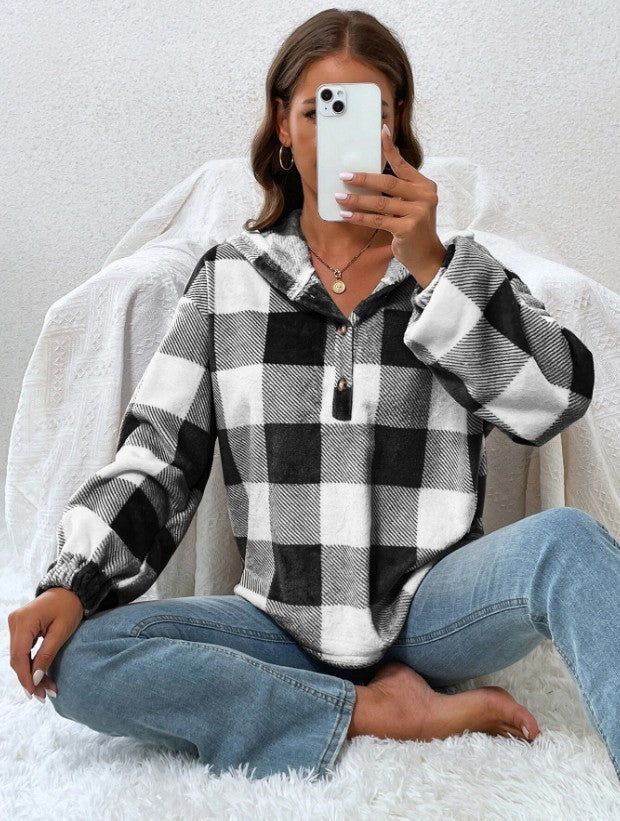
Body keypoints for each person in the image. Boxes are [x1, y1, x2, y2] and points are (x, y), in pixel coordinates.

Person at [9, 9, 619, 783]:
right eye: (318, 113)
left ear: (395, 127)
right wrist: (76, 578)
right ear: (283, 127)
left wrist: (434, 267)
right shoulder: (227, 279)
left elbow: (556, 396)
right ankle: (371, 710)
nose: (340, 142)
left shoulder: (450, 270)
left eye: (369, 115)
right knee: (82, 656)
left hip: (435, 611)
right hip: (277, 620)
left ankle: (357, 698)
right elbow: (158, 457)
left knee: (569, 543)